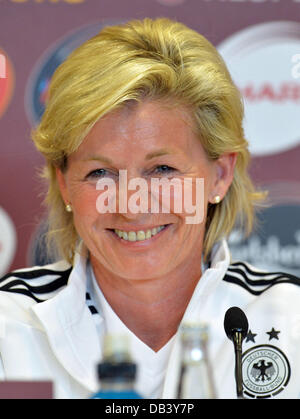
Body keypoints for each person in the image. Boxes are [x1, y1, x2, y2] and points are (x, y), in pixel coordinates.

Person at [1, 17, 300, 399]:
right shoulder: (8, 326)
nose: (131, 205)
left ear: (220, 175)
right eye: (100, 172)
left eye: (162, 169)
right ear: (64, 185)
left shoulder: (291, 323)